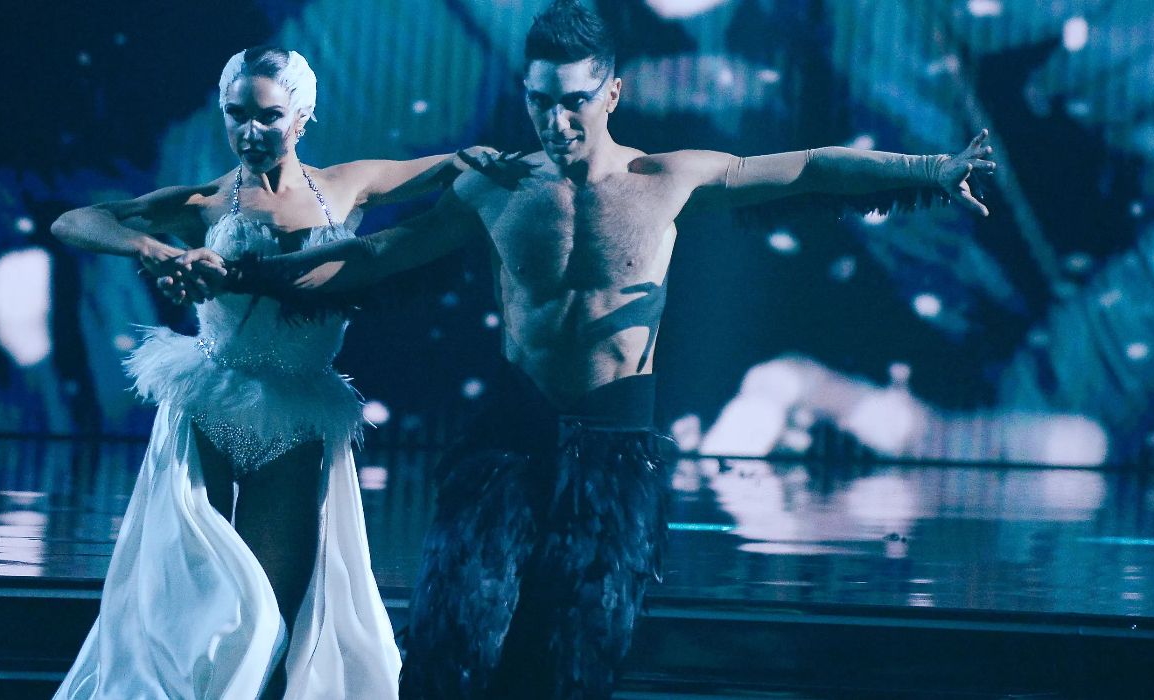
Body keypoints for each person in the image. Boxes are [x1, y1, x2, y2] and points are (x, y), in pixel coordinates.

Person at [163, 2, 998, 696]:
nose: (556, 121)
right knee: (453, 642)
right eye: (539, 101)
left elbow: (809, 168)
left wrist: (930, 167)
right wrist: (247, 273)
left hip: (612, 449)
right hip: (507, 443)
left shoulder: (667, 179)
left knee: (573, 660)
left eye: (574, 102)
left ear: (612, 95)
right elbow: (379, 256)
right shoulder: (496, 187)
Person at [49, 45, 477, 699]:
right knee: (195, 616)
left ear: (302, 116)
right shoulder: (207, 199)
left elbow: (453, 168)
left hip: (296, 420)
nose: (250, 130)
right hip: (207, 409)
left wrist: (493, 163)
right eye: (235, 113)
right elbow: (74, 220)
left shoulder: (346, 185)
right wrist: (150, 245)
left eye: (269, 115)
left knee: (272, 624)